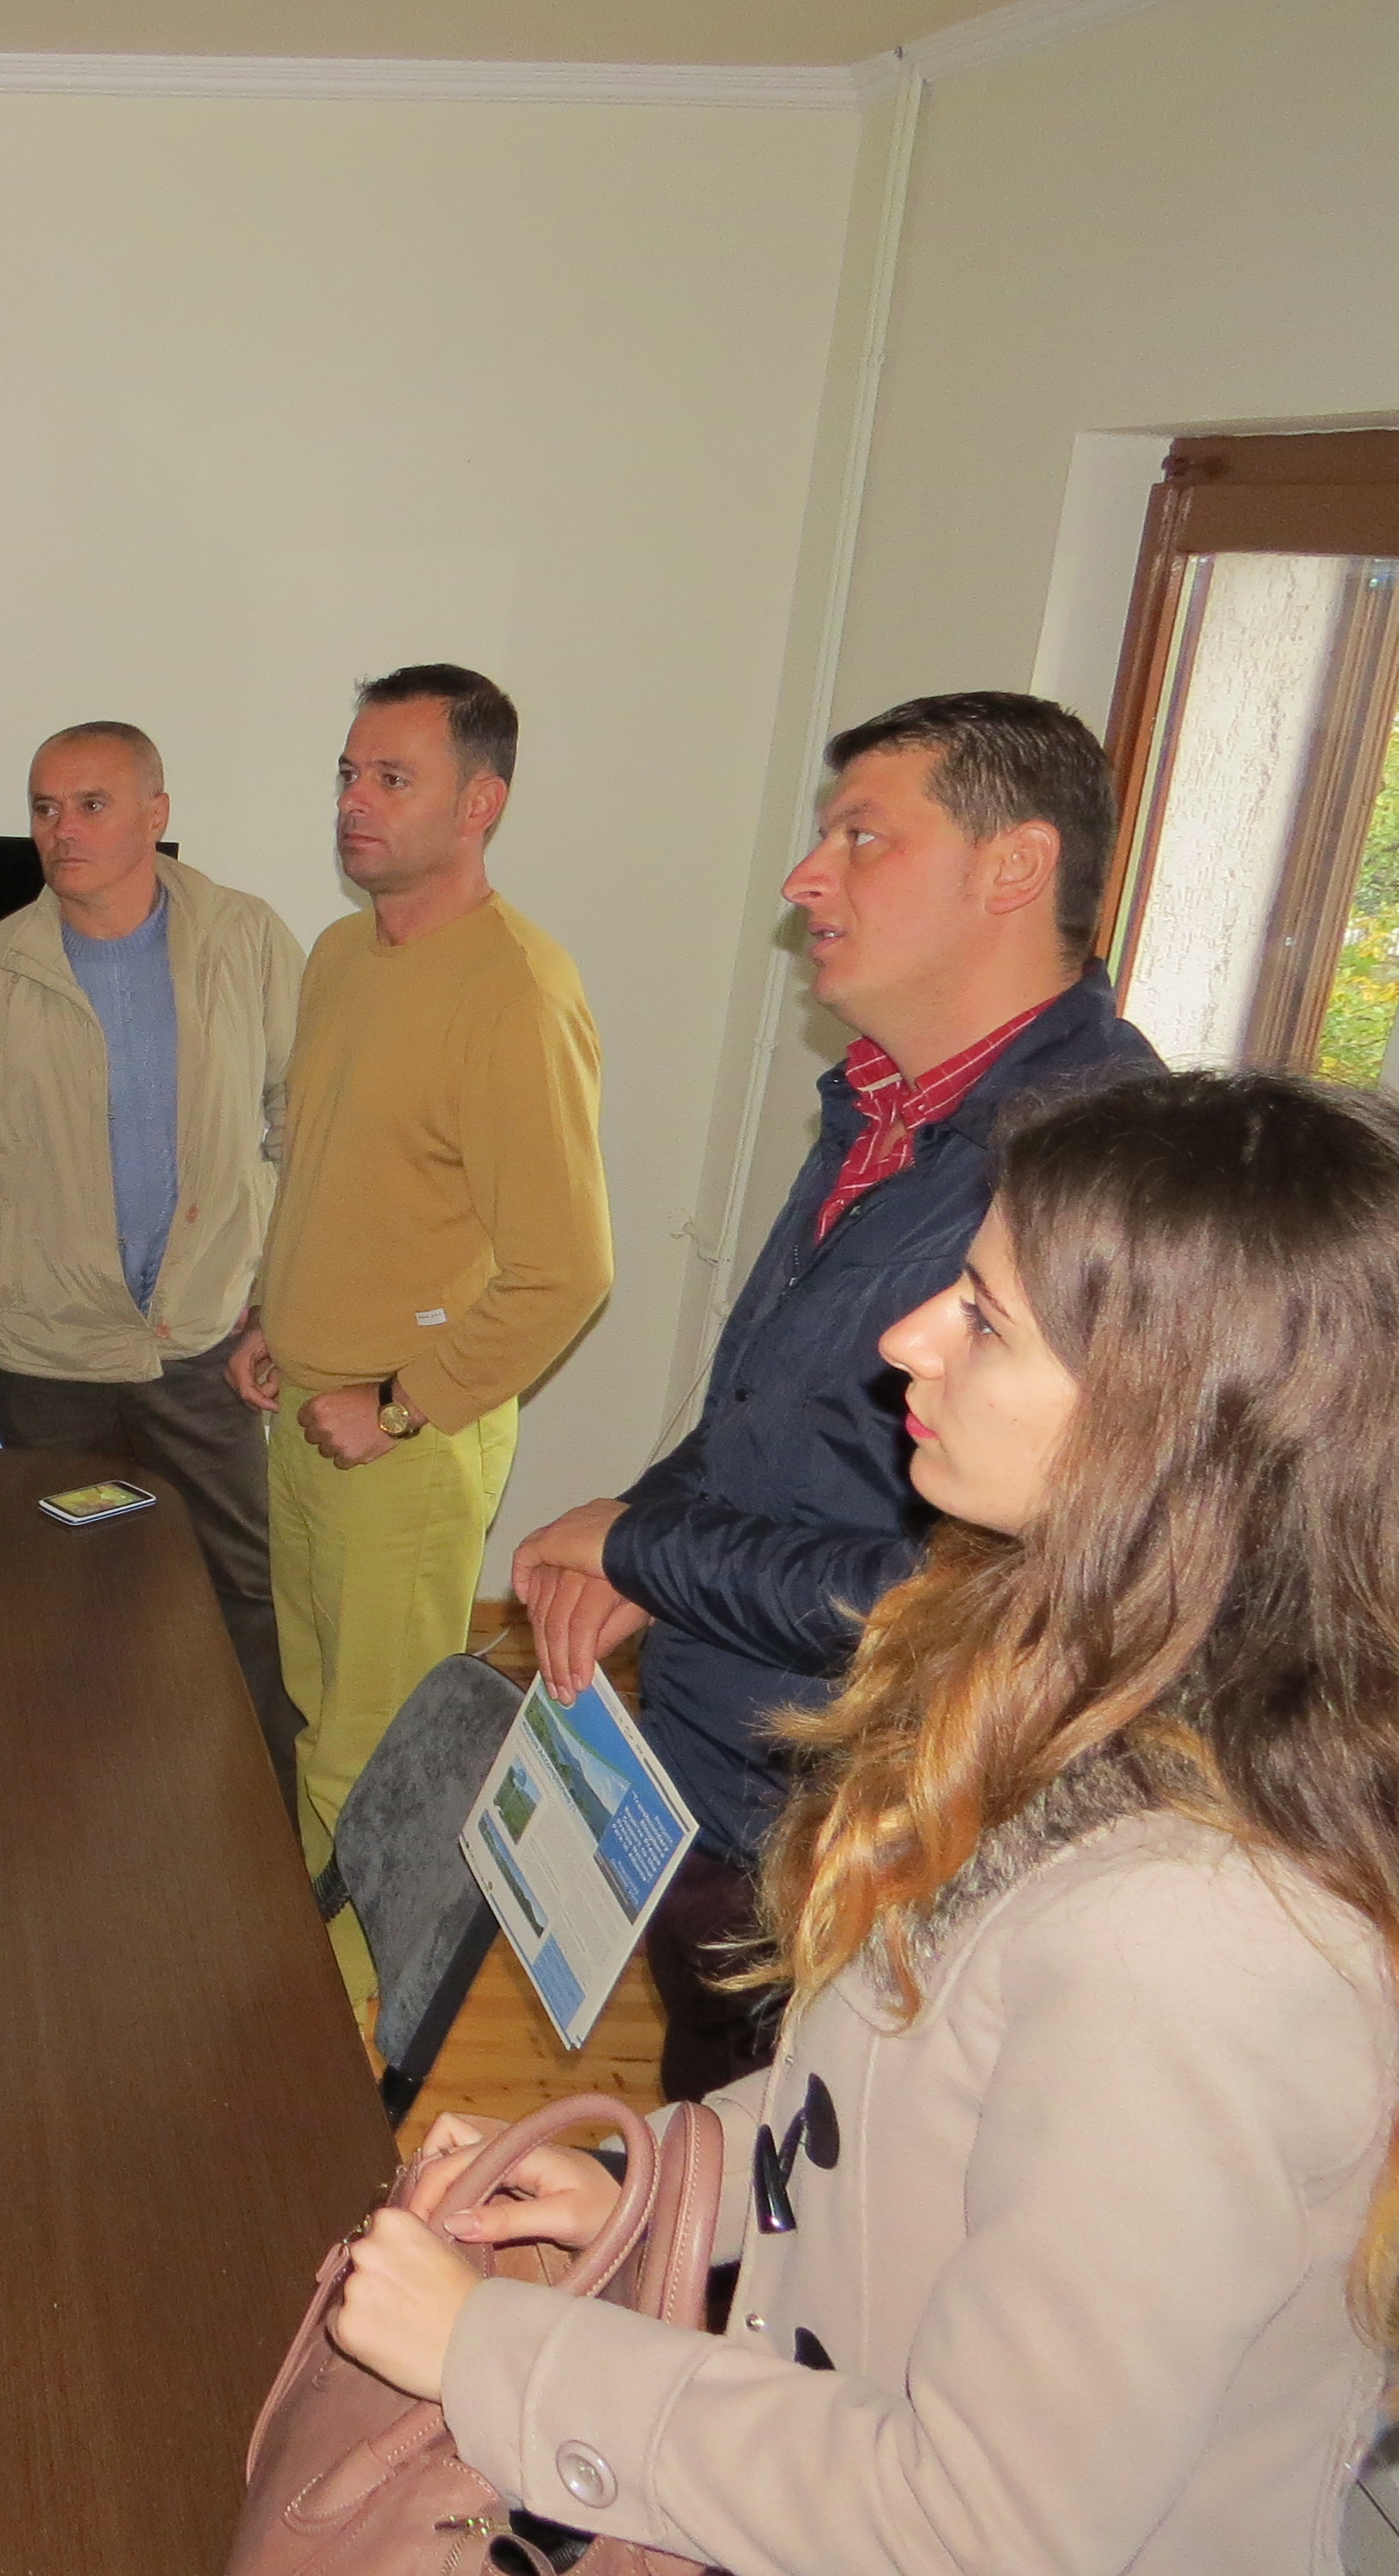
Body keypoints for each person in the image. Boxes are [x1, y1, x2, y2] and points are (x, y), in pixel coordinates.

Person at [338, 1069, 1399, 2576]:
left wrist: (492, 2353)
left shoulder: (1197, 1942)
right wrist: (654, 2182)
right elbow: (894, 2111)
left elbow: (977, 2528)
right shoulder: (1056, 1697)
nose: (907, 1339)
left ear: (1175, 1432)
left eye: (984, 1318)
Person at [508, 691, 1159, 2101]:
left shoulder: (1095, 1172)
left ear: (1014, 867)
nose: (806, 879)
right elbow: (769, 1405)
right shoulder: (883, 1102)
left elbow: (972, 1597)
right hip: (734, 1791)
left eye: (863, 837)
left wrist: (644, 1549)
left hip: (878, 1849)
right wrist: (643, 1539)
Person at [237, 665, 611, 2001]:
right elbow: (340, 1174)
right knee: (316, 1717)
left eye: (393, 778)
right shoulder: (343, 957)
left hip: (399, 1440)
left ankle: (349, 2035)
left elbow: (568, 1272)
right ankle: (301, 1970)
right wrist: (274, 1316)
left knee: (376, 1755)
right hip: (307, 1409)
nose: (357, 801)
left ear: (480, 803)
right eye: (350, 773)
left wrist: (398, 1404)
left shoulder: (516, 990)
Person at [0, 720, 311, 1800]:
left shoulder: (246, 940)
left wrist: (277, 1302)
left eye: (91, 804)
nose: (62, 830)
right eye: (44, 808)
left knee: (241, 1601)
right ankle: (53, 1816)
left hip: (207, 1346)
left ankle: (259, 1832)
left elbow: (301, 1122)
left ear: (156, 814)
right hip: (46, 1361)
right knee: (45, 1607)